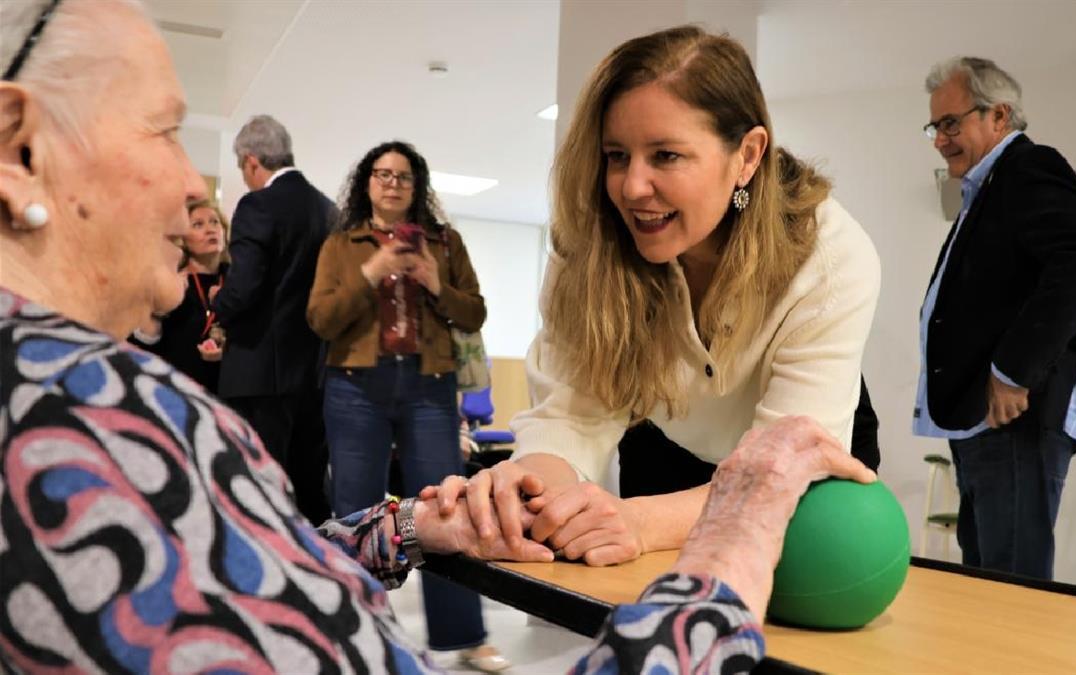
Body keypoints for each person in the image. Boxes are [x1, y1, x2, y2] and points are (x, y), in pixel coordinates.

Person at [0, 1, 878, 672]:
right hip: (363, 389)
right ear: (18, 146)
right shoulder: (78, 424)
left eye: (667, 157)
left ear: (748, 157)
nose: (199, 189)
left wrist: (415, 525)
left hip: (455, 400)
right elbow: (556, 408)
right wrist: (723, 549)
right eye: (164, 129)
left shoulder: (96, 406)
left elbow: (257, 560)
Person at [429, 25, 882, 567]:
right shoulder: (587, 247)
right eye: (616, 155)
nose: (631, 186)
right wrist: (523, 489)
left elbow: (781, 468)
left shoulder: (830, 256)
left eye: (665, 155)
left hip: (794, 466)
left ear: (747, 155)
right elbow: (572, 418)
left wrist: (640, 521)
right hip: (665, 437)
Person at [306, 141, 509, 671]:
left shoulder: (445, 243)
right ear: (367, 182)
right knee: (354, 508)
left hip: (429, 387)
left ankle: (463, 634)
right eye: (382, 174)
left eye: (403, 176)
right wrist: (372, 271)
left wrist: (437, 284)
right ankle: (353, 631)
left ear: (417, 186)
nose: (392, 183)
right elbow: (321, 320)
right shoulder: (342, 244)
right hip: (354, 387)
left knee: (445, 503)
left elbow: (475, 314)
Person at [915, 57, 1076, 579]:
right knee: (987, 583)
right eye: (935, 127)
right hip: (984, 422)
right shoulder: (987, 189)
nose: (940, 139)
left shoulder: (1027, 168)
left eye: (951, 124)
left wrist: (1013, 371)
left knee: (1011, 587)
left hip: (1013, 417)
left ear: (999, 116)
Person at [211, 113, 333, 526]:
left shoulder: (257, 204)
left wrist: (216, 306)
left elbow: (244, 287)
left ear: (250, 161)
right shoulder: (328, 210)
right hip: (314, 377)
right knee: (309, 491)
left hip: (258, 375)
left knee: (257, 490)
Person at [131, 198, 229, 392]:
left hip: (228, 394)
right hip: (179, 390)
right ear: (182, 238)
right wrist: (159, 309)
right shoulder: (171, 280)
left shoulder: (240, 281)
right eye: (198, 225)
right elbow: (143, 345)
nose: (210, 230)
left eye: (215, 222)